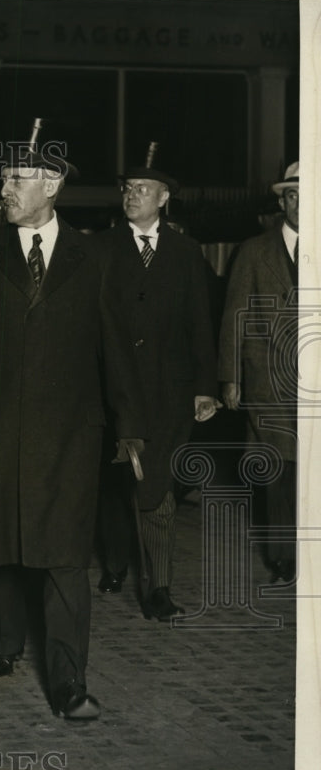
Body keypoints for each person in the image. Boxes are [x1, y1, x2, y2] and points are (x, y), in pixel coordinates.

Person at [0, 135, 145, 721]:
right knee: (3, 545)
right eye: (3, 180)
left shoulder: (95, 257)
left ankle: (69, 682)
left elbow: (116, 352)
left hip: (70, 438)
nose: (3, 191)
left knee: (63, 558)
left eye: (16, 180)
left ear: (51, 186)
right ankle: (4, 643)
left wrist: (132, 429)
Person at [94, 148, 219, 620]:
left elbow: (200, 324)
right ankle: (116, 562)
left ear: (164, 199)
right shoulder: (101, 249)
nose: (132, 196)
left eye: (142, 190)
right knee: (116, 483)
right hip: (115, 392)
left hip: (169, 391)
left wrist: (205, 385)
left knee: (158, 486)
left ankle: (158, 588)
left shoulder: (187, 253)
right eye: (127, 189)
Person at [219, 161, 299, 584]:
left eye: (309, 196)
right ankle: (285, 558)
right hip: (267, 376)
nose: (301, 205)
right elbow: (234, 313)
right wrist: (231, 376)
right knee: (280, 469)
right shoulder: (253, 251)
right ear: (281, 201)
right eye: (291, 196)